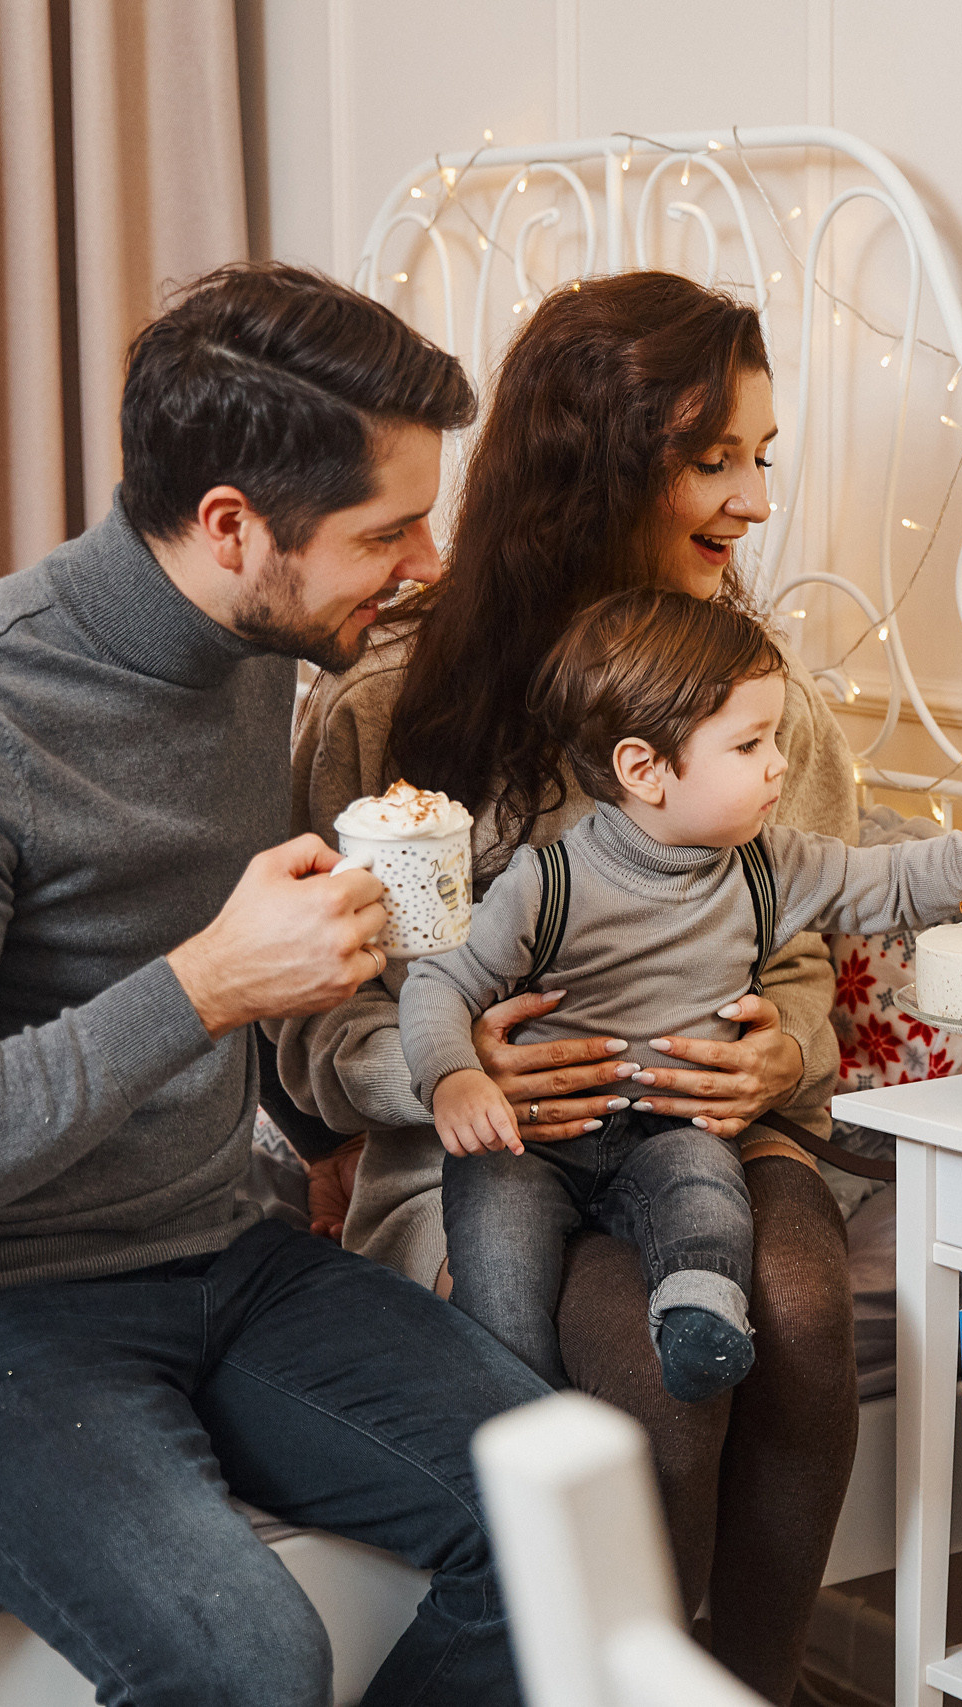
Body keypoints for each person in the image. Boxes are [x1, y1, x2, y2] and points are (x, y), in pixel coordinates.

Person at [0, 262, 545, 1707]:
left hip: (217, 1247)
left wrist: (344, 1098)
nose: (427, 559)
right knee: (253, 1659)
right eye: (389, 530)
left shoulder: (260, 642)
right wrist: (201, 986)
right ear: (230, 527)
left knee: (569, 1504)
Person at [275, 271, 860, 1702]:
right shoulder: (386, 715)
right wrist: (449, 1059)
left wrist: (779, 1054)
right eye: (713, 458)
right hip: (489, 1151)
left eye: (764, 457)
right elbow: (301, 1037)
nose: (756, 501)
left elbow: (804, 962)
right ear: (590, 462)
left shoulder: (761, 706)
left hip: (706, 1132)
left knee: (795, 1297)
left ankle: (756, 1680)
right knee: (647, 1361)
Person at [408, 590, 962, 1405]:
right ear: (644, 769)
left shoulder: (770, 865)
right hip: (535, 1146)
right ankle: (522, 1426)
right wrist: (452, 1077)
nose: (780, 761)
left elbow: (899, 879)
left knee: (709, 1196)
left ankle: (700, 1322)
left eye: (773, 736)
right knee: (500, 1264)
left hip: (673, 1129)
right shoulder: (546, 884)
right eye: (749, 744)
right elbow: (439, 982)